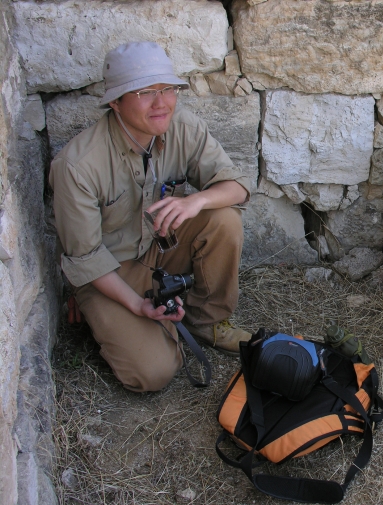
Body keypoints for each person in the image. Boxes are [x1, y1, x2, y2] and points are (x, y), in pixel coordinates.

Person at [49, 42, 252, 392]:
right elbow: (86, 257)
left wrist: (196, 202)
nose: (162, 103)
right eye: (145, 92)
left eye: (168, 89)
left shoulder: (182, 126)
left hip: (162, 248)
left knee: (224, 218)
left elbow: (238, 187)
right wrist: (137, 306)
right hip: (110, 270)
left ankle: (206, 322)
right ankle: (126, 317)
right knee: (153, 373)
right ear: (115, 102)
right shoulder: (77, 165)